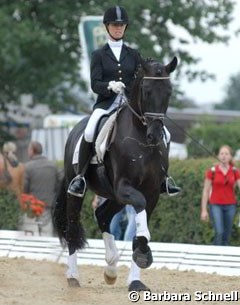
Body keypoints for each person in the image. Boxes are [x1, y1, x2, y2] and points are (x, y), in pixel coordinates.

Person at [68, 5, 181, 198]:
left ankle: (164, 178)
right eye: (114, 25)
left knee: (167, 134)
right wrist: (110, 86)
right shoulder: (99, 55)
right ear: (107, 27)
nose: (118, 28)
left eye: (121, 25)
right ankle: (81, 177)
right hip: (106, 103)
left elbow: (142, 78)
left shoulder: (134, 54)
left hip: (130, 103)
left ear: (125, 28)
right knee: (89, 130)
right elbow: (95, 84)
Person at [200, 145, 240, 246]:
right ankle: (216, 253)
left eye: (226, 154)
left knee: (226, 234)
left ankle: (223, 255)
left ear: (230, 157)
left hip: (230, 206)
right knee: (219, 232)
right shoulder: (212, 171)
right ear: (218, 156)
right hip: (215, 205)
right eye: (221, 153)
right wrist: (204, 210)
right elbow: (205, 191)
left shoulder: (235, 172)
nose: (224, 156)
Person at [20, 141, 61, 236]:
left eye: (29, 149)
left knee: (31, 232)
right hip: (48, 203)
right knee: (47, 230)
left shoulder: (28, 167)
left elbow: (24, 188)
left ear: (32, 151)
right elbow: (59, 184)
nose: (28, 152)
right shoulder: (53, 165)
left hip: (32, 204)